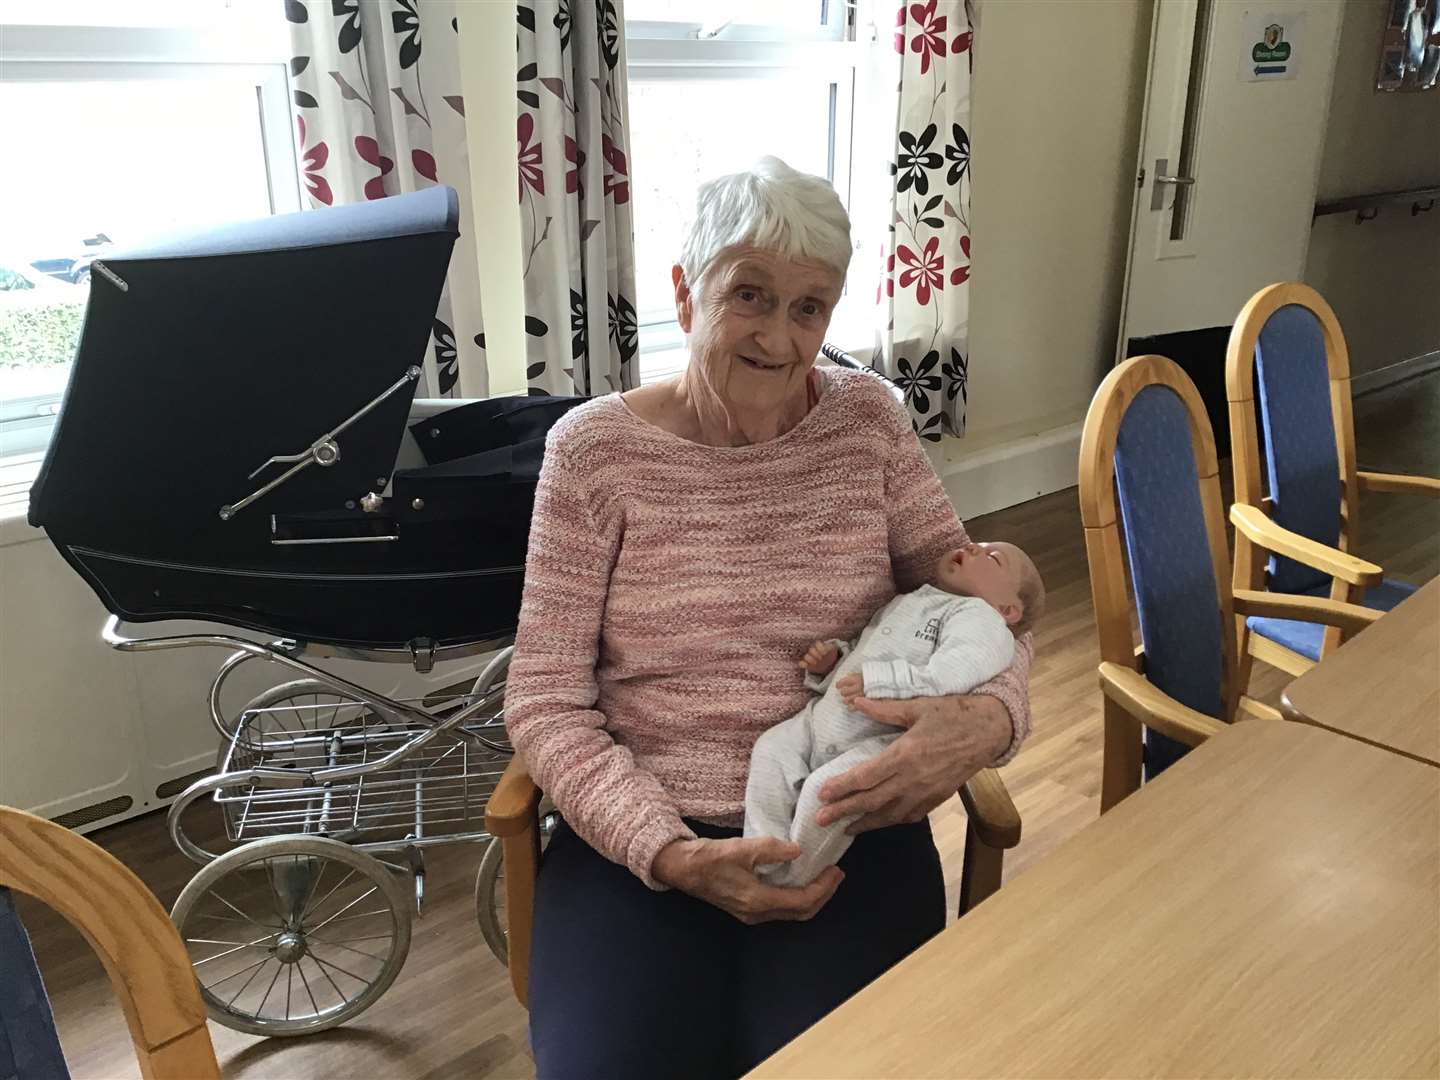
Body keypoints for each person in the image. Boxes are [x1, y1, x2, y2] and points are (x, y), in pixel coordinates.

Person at [505, 156, 1035, 1079]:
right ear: (684, 292)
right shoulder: (593, 455)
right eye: (749, 295)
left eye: (809, 308)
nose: (781, 340)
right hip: (645, 844)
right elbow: (544, 700)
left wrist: (985, 724)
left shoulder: (867, 422)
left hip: (849, 823)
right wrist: (665, 851)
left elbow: (977, 607)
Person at [745, 540, 1044, 888]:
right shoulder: (912, 600)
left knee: (827, 793)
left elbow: (953, 674)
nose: (971, 547)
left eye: (993, 558)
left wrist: (879, 680)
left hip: (879, 737)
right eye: (977, 542)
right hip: (822, 718)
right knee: (771, 749)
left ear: (1008, 610)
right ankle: (760, 851)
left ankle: (789, 877)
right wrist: (834, 664)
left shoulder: (984, 621)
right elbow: (866, 650)